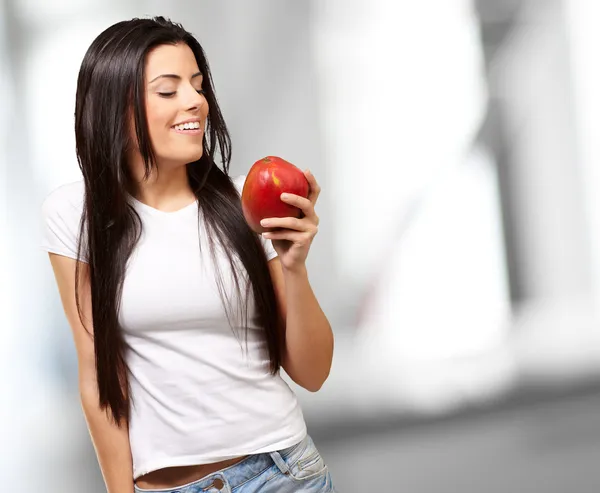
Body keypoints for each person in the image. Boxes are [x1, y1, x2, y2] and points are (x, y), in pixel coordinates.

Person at [40, 16, 336, 493]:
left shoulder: (246, 204)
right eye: (168, 89)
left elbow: (313, 372)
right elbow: (98, 378)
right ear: (116, 106)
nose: (194, 101)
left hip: (281, 474)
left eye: (197, 85)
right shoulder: (74, 214)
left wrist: (294, 267)